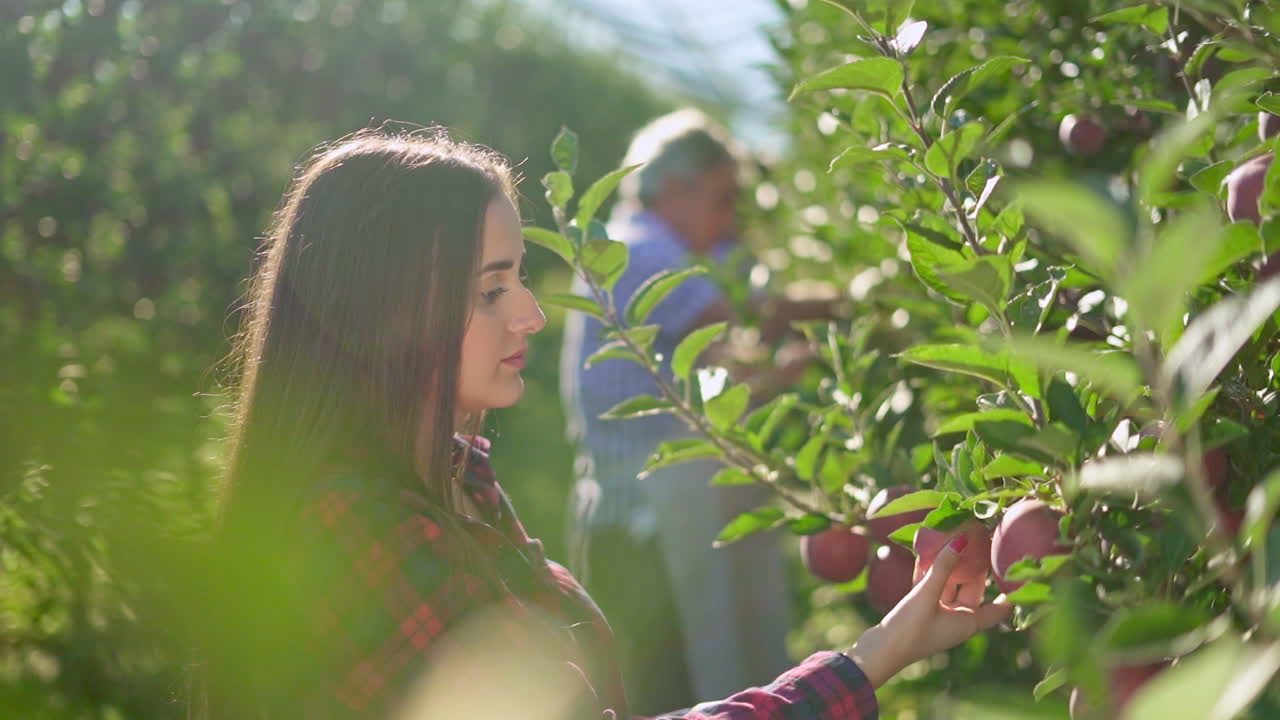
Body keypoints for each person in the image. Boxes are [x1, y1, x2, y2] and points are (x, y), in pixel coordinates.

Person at [200, 126, 1010, 720]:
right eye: (491, 290)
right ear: (389, 311)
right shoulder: (366, 536)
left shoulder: (460, 487)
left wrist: (886, 648)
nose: (530, 315)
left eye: (519, 279)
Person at [559, 109, 828, 713]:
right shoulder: (646, 250)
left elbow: (712, 368)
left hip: (624, 525)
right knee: (680, 693)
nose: (730, 218)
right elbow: (754, 318)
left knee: (660, 690)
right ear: (675, 189)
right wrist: (861, 307)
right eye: (724, 198)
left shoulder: (638, 248)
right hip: (649, 534)